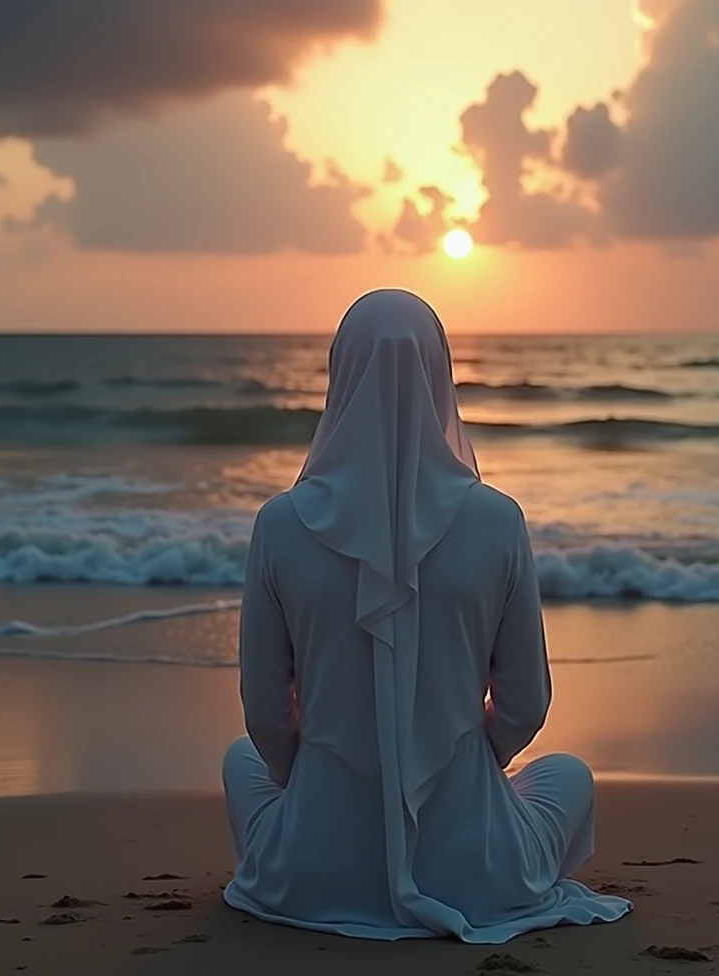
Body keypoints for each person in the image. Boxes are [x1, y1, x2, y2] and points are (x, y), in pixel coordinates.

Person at [222, 289, 631, 941]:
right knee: (567, 776)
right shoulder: (497, 521)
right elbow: (525, 706)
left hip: (315, 870)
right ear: (441, 372)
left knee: (242, 760)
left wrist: (322, 782)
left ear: (339, 373)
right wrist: (452, 765)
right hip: (477, 869)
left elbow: (266, 716)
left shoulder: (280, 525)